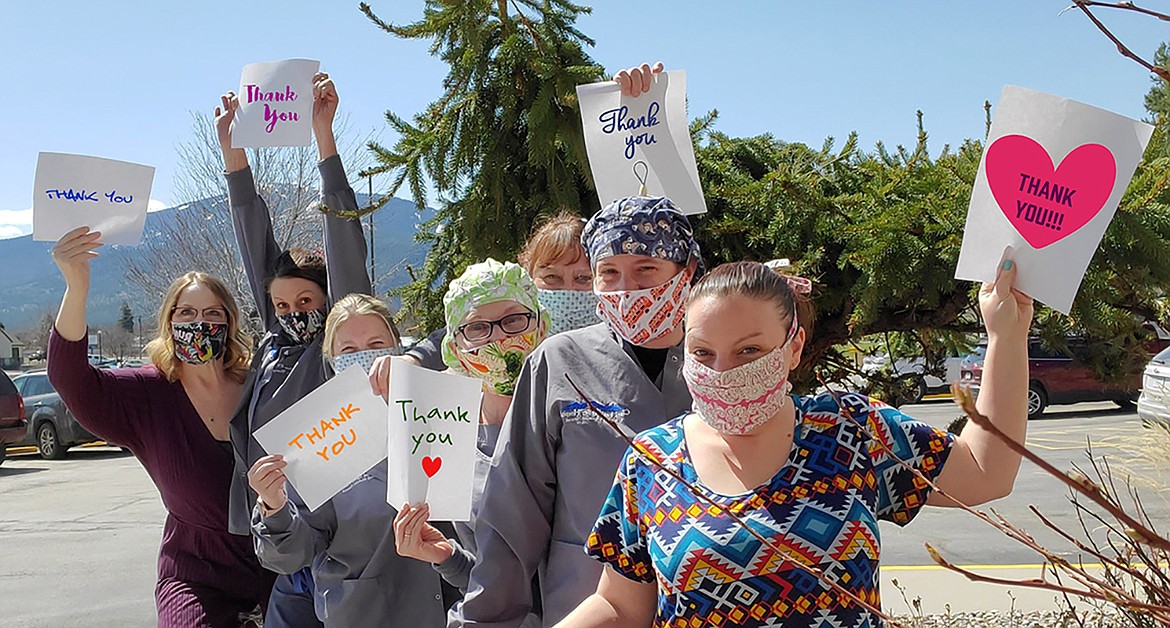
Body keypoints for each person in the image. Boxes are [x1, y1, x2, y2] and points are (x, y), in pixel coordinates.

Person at [557, 260, 1032, 627]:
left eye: (749, 351)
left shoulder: (849, 430)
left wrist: (1006, 335)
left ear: (794, 347)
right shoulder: (652, 461)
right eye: (703, 353)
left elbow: (984, 472)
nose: (723, 372)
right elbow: (619, 607)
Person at [454, 196, 703, 626]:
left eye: (646, 268)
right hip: (584, 607)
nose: (627, 288)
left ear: (686, 273)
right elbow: (511, 517)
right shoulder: (559, 362)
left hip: (705, 605)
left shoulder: (716, 362)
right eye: (608, 272)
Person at [47, 227, 274, 627]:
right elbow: (72, 379)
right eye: (186, 313)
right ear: (169, 323)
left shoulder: (260, 389)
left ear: (230, 323)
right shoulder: (148, 394)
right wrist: (76, 287)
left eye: (212, 314)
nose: (198, 323)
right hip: (194, 573)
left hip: (277, 562)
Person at [216, 72, 371, 628]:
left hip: (342, 539)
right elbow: (253, 241)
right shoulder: (272, 346)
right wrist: (234, 158)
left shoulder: (336, 345)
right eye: (279, 304)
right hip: (286, 536)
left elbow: (344, 245)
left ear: (329, 301)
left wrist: (322, 138)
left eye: (305, 300)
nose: (290, 312)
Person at [248, 293, 460, 626]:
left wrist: (419, 362)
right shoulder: (318, 438)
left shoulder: (442, 411)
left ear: (398, 349)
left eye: (377, 343)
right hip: (369, 614)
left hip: (458, 608)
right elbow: (289, 556)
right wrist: (273, 505)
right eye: (349, 350)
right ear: (331, 361)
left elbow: (458, 332)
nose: (366, 358)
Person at [380, 260, 548, 595]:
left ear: (541, 326)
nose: (499, 337)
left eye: (514, 320)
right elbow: (487, 577)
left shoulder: (569, 425)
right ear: (454, 347)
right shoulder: (452, 437)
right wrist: (447, 558)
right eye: (477, 328)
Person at [405, 213, 596, 369]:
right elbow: (460, 334)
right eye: (552, 278)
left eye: (584, 278)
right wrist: (413, 360)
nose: (569, 289)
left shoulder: (619, 342)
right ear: (528, 277)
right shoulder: (511, 337)